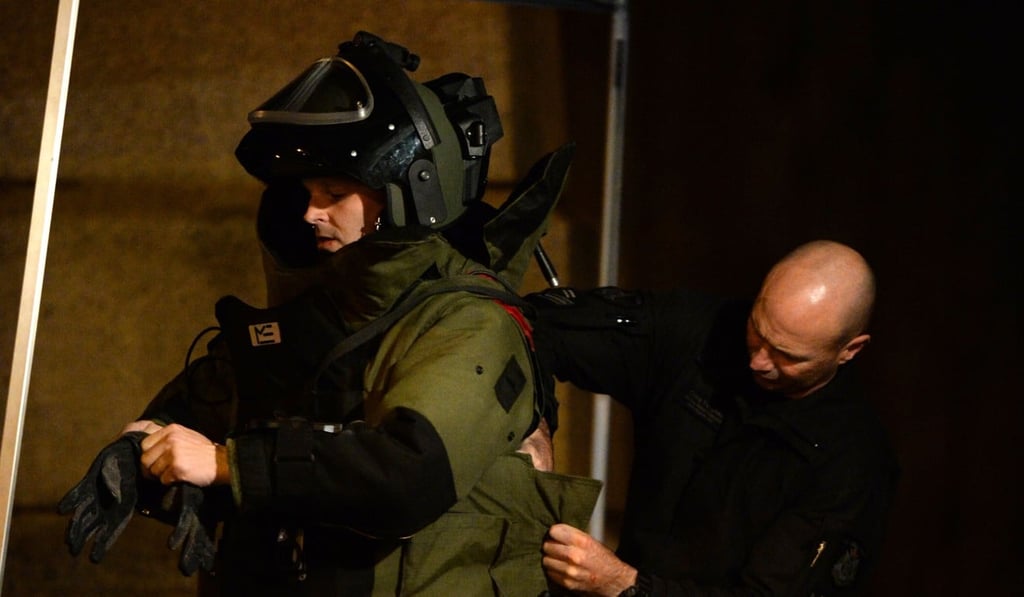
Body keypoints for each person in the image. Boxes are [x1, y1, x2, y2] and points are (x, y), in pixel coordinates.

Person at [58, 31, 601, 595]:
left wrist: (228, 466)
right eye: (309, 191)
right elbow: (211, 402)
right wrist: (140, 454)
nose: (312, 213)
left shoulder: (468, 324)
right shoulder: (321, 311)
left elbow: (407, 475)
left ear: (406, 192)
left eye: (335, 191)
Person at [531, 240, 899, 596]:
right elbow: (534, 324)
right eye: (758, 329)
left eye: (787, 355)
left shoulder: (852, 463)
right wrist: (536, 426)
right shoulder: (701, 333)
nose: (758, 361)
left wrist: (623, 586)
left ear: (849, 350)